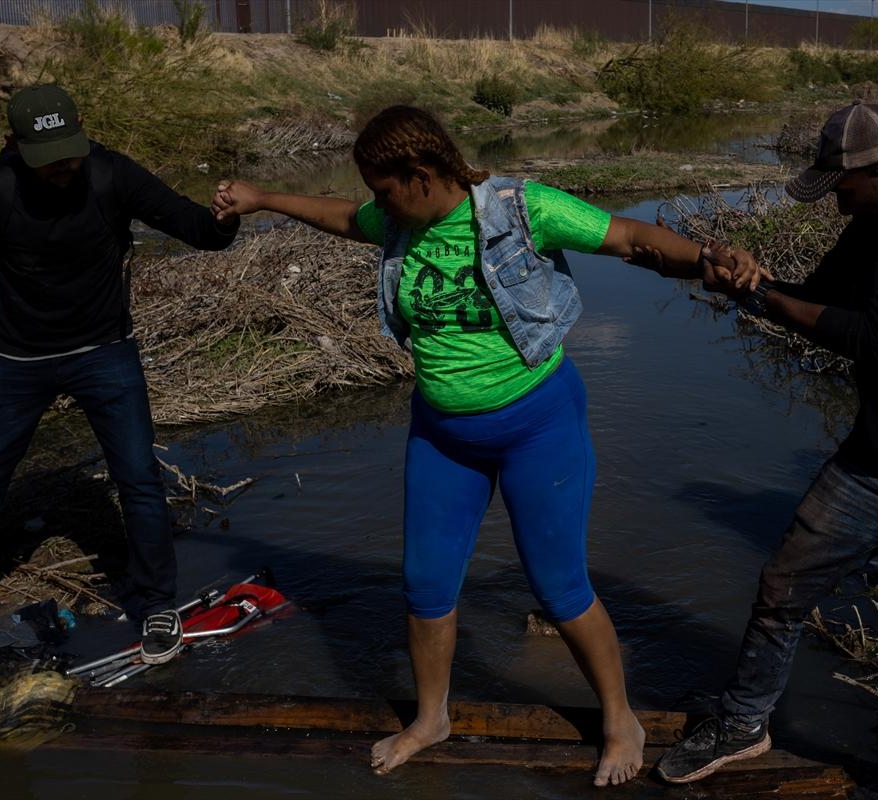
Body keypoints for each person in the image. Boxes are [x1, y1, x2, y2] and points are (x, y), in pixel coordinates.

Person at [211, 105, 758, 786]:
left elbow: (629, 238)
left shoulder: (521, 209)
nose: (376, 206)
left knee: (560, 588)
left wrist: (705, 258)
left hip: (538, 426)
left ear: (419, 174)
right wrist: (262, 198)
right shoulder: (396, 221)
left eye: (384, 190)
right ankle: (431, 718)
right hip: (443, 436)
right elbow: (343, 217)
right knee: (425, 586)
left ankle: (621, 718)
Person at [653, 102, 878, 800]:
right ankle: (744, 722)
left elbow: (870, 335)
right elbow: (816, 298)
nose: (835, 205)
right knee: (780, 591)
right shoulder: (874, 228)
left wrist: (761, 290)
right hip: (868, 464)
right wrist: (747, 280)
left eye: (841, 188)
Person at [0, 85, 240, 667]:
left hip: (105, 354)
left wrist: (229, 214)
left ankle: (158, 603)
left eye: (70, 149)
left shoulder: (112, 176)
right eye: (47, 155)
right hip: (16, 362)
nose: (63, 165)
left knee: (137, 479)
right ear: (13, 145)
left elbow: (198, 231)